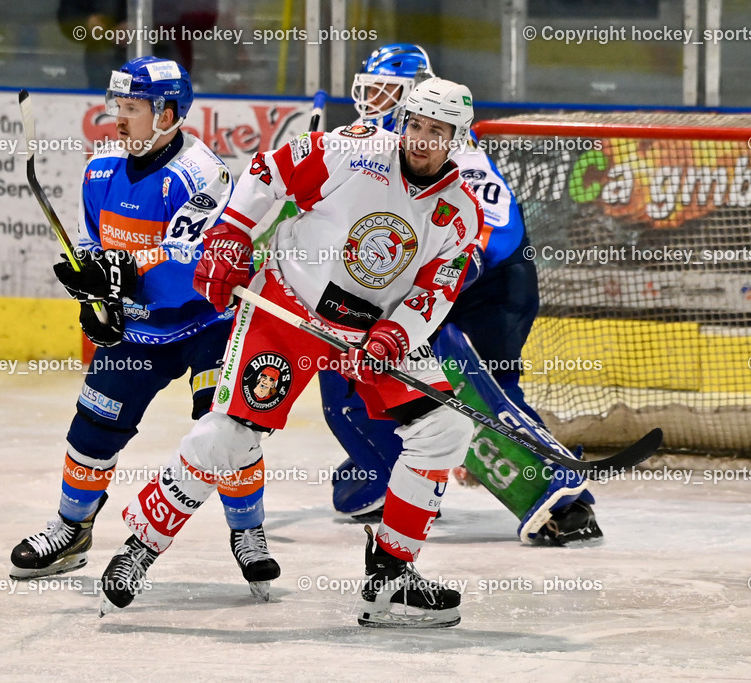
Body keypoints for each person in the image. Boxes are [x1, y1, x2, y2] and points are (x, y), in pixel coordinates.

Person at [98, 76, 482, 628]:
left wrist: (392, 337)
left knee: (444, 429)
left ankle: (391, 577)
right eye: (415, 125)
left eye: (437, 131)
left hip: (371, 333)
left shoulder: (459, 213)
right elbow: (268, 173)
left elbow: (433, 293)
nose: (421, 139)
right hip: (289, 309)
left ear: (457, 138)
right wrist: (230, 237)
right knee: (231, 435)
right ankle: (141, 546)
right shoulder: (354, 150)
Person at [8, 56, 280, 591]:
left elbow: (194, 262)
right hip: (139, 332)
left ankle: (248, 532)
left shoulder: (202, 174)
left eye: (132, 109)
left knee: (228, 429)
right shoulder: (100, 170)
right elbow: (92, 242)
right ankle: (71, 528)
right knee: (94, 425)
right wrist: (95, 294)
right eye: (118, 107)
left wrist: (123, 272)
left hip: (210, 323)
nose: (119, 119)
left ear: (168, 112)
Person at [318, 43, 602, 546]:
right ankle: (393, 472)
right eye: (372, 90)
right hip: (435, 292)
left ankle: (565, 500)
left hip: (488, 288)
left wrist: (432, 296)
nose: (375, 101)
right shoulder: (380, 151)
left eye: (388, 91)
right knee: (349, 383)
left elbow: (488, 237)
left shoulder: (460, 155)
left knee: (479, 389)